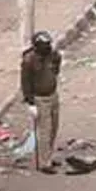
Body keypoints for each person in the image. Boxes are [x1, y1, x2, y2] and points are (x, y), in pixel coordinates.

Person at [20, 31, 62, 174]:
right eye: (45, 45)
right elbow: (25, 83)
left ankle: (48, 155)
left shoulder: (52, 55)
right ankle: (44, 163)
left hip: (53, 95)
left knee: (54, 128)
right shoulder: (29, 61)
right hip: (40, 99)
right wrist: (30, 103)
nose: (48, 47)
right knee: (44, 130)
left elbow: (57, 65)